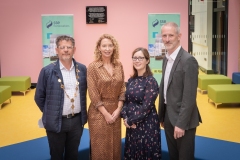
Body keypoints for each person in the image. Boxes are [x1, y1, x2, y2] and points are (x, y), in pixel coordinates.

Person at [34, 35, 87, 160]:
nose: (66, 50)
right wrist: (51, 112)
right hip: (56, 122)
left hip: (77, 121)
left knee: (73, 154)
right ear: (57, 50)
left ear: (74, 49)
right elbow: (39, 97)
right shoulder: (47, 71)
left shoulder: (83, 69)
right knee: (56, 155)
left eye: (69, 47)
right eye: (62, 47)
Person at [158, 22, 202, 160]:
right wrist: (163, 115)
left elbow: (189, 97)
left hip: (183, 120)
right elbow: (166, 88)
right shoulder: (166, 59)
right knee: (173, 155)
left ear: (179, 36)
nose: (167, 39)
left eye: (171, 35)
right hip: (168, 116)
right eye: (164, 35)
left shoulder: (188, 60)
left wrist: (181, 124)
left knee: (184, 157)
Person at [87, 34, 125, 160]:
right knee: (100, 148)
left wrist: (119, 109)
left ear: (114, 47)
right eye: (104, 46)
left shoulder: (119, 65)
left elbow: (122, 89)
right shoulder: (93, 67)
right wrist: (106, 114)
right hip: (99, 113)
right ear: (99, 48)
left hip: (115, 111)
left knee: (115, 146)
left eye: (110, 45)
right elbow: (93, 93)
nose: (107, 48)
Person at [121, 47, 161, 159]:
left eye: (140, 58)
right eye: (135, 58)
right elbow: (125, 101)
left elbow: (146, 107)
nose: (137, 61)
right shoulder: (131, 80)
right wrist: (125, 118)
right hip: (131, 126)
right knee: (133, 153)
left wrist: (130, 120)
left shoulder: (151, 81)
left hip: (147, 125)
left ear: (147, 60)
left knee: (145, 154)